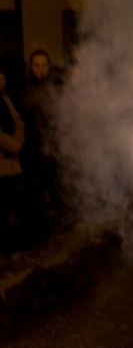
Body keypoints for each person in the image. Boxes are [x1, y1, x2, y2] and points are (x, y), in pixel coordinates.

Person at [21, 49, 66, 237]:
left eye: (44, 65)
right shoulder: (26, 89)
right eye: (36, 65)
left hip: (54, 142)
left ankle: (61, 219)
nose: (40, 69)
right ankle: (37, 227)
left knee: (56, 182)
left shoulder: (55, 87)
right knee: (36, 185)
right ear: (31, 67)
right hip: (33, 145)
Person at [0, 71, 25, 254]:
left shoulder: (5, 99)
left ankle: (6, 242)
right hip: (3, 160)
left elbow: (18, 122)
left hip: (9, 162)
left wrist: (18, 140)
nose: (0, 80)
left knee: (6, 205)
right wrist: (14, 145)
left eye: (2, 76)